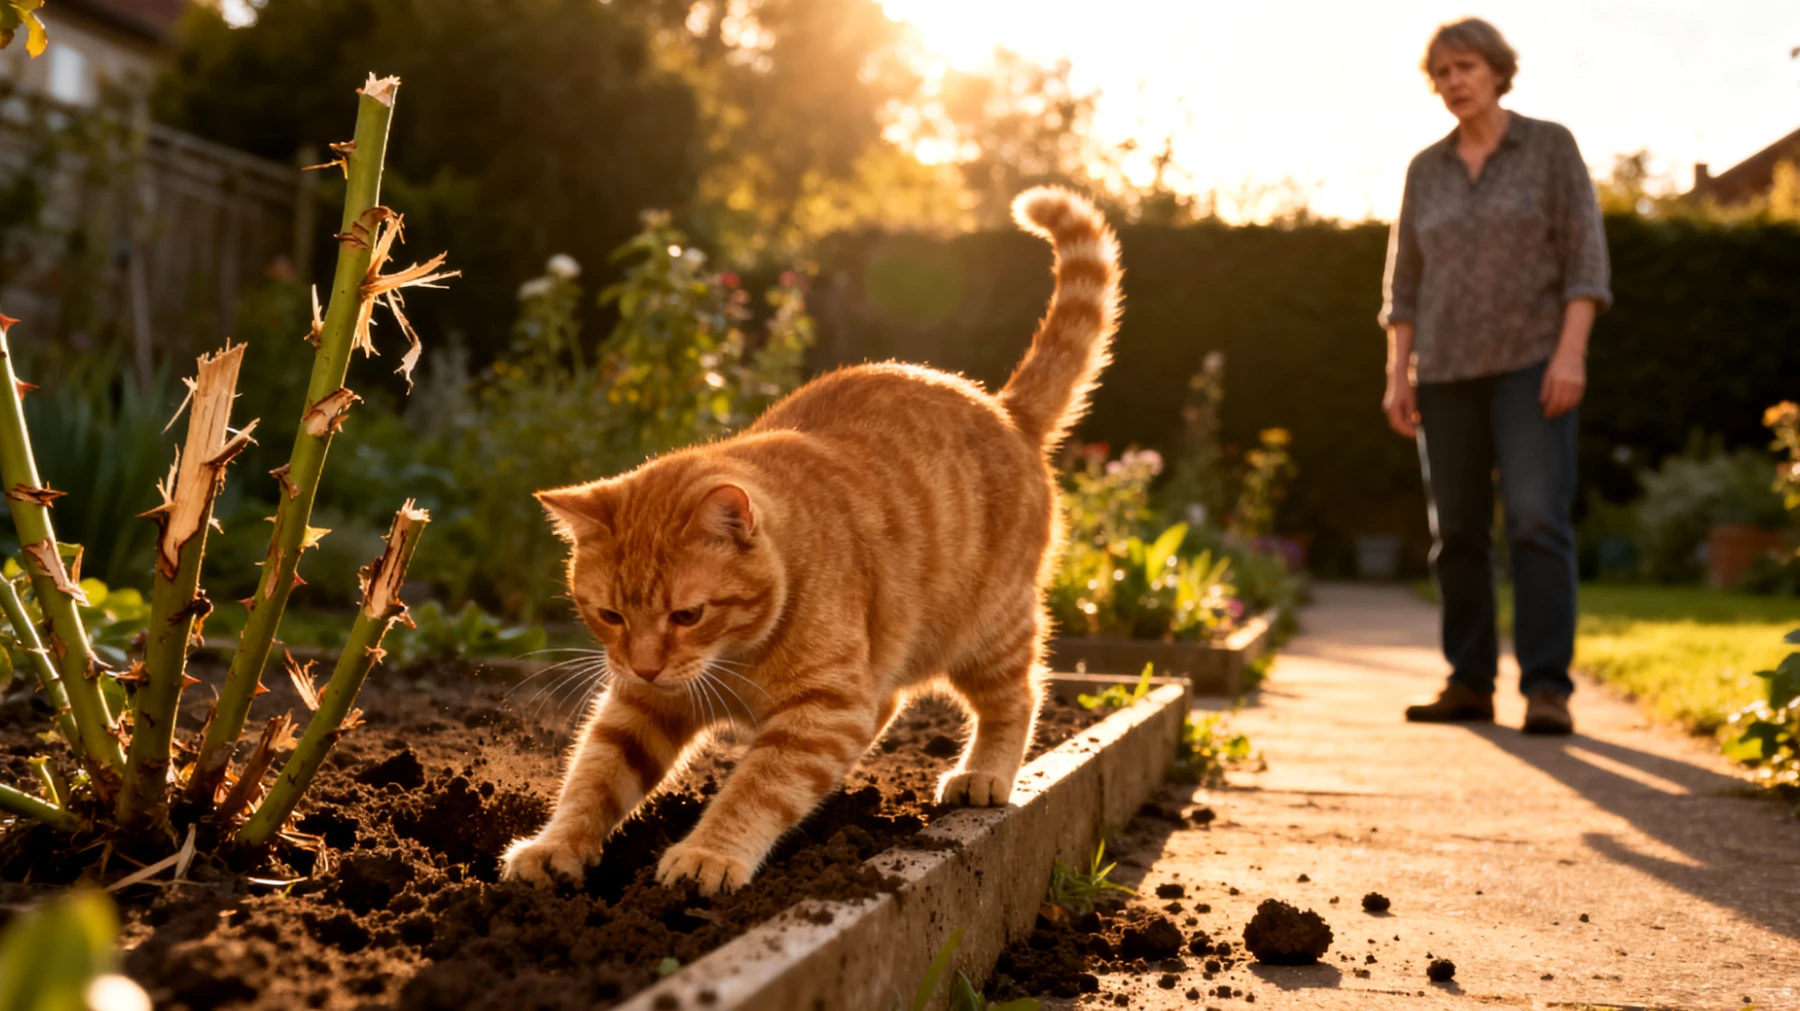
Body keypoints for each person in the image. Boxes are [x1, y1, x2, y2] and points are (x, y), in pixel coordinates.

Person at [1379, 17, 1611, 735]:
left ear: (1498, 71)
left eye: (1467, 67)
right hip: (1444, 371)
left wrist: (1570, 353)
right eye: (1442, 73)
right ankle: (1469, 681)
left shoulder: (1549, 148)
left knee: (1538, 521)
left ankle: (1547, 688)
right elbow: (1403, 282)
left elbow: (1585, 261)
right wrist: (1398, 372)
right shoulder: (1427, 168)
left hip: (1531, 366)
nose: (1454, 83)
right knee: (1458, 532)